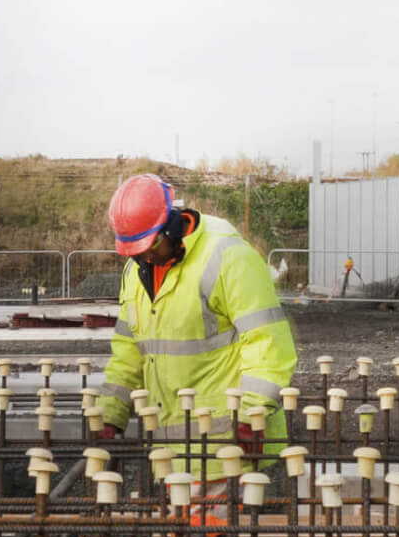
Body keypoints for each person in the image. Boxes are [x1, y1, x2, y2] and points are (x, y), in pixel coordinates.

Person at [96, 172, 297, 481]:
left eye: (151, 245)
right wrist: (111, 414)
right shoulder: (135, 273)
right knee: (183, 529)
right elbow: (129, 352)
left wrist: (250, 414)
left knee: (227, 528)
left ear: (172, 226)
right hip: (173, 457)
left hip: (233, 453)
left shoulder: (229, 258)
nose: (145, 256)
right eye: (136, 251)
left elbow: (267, 342)